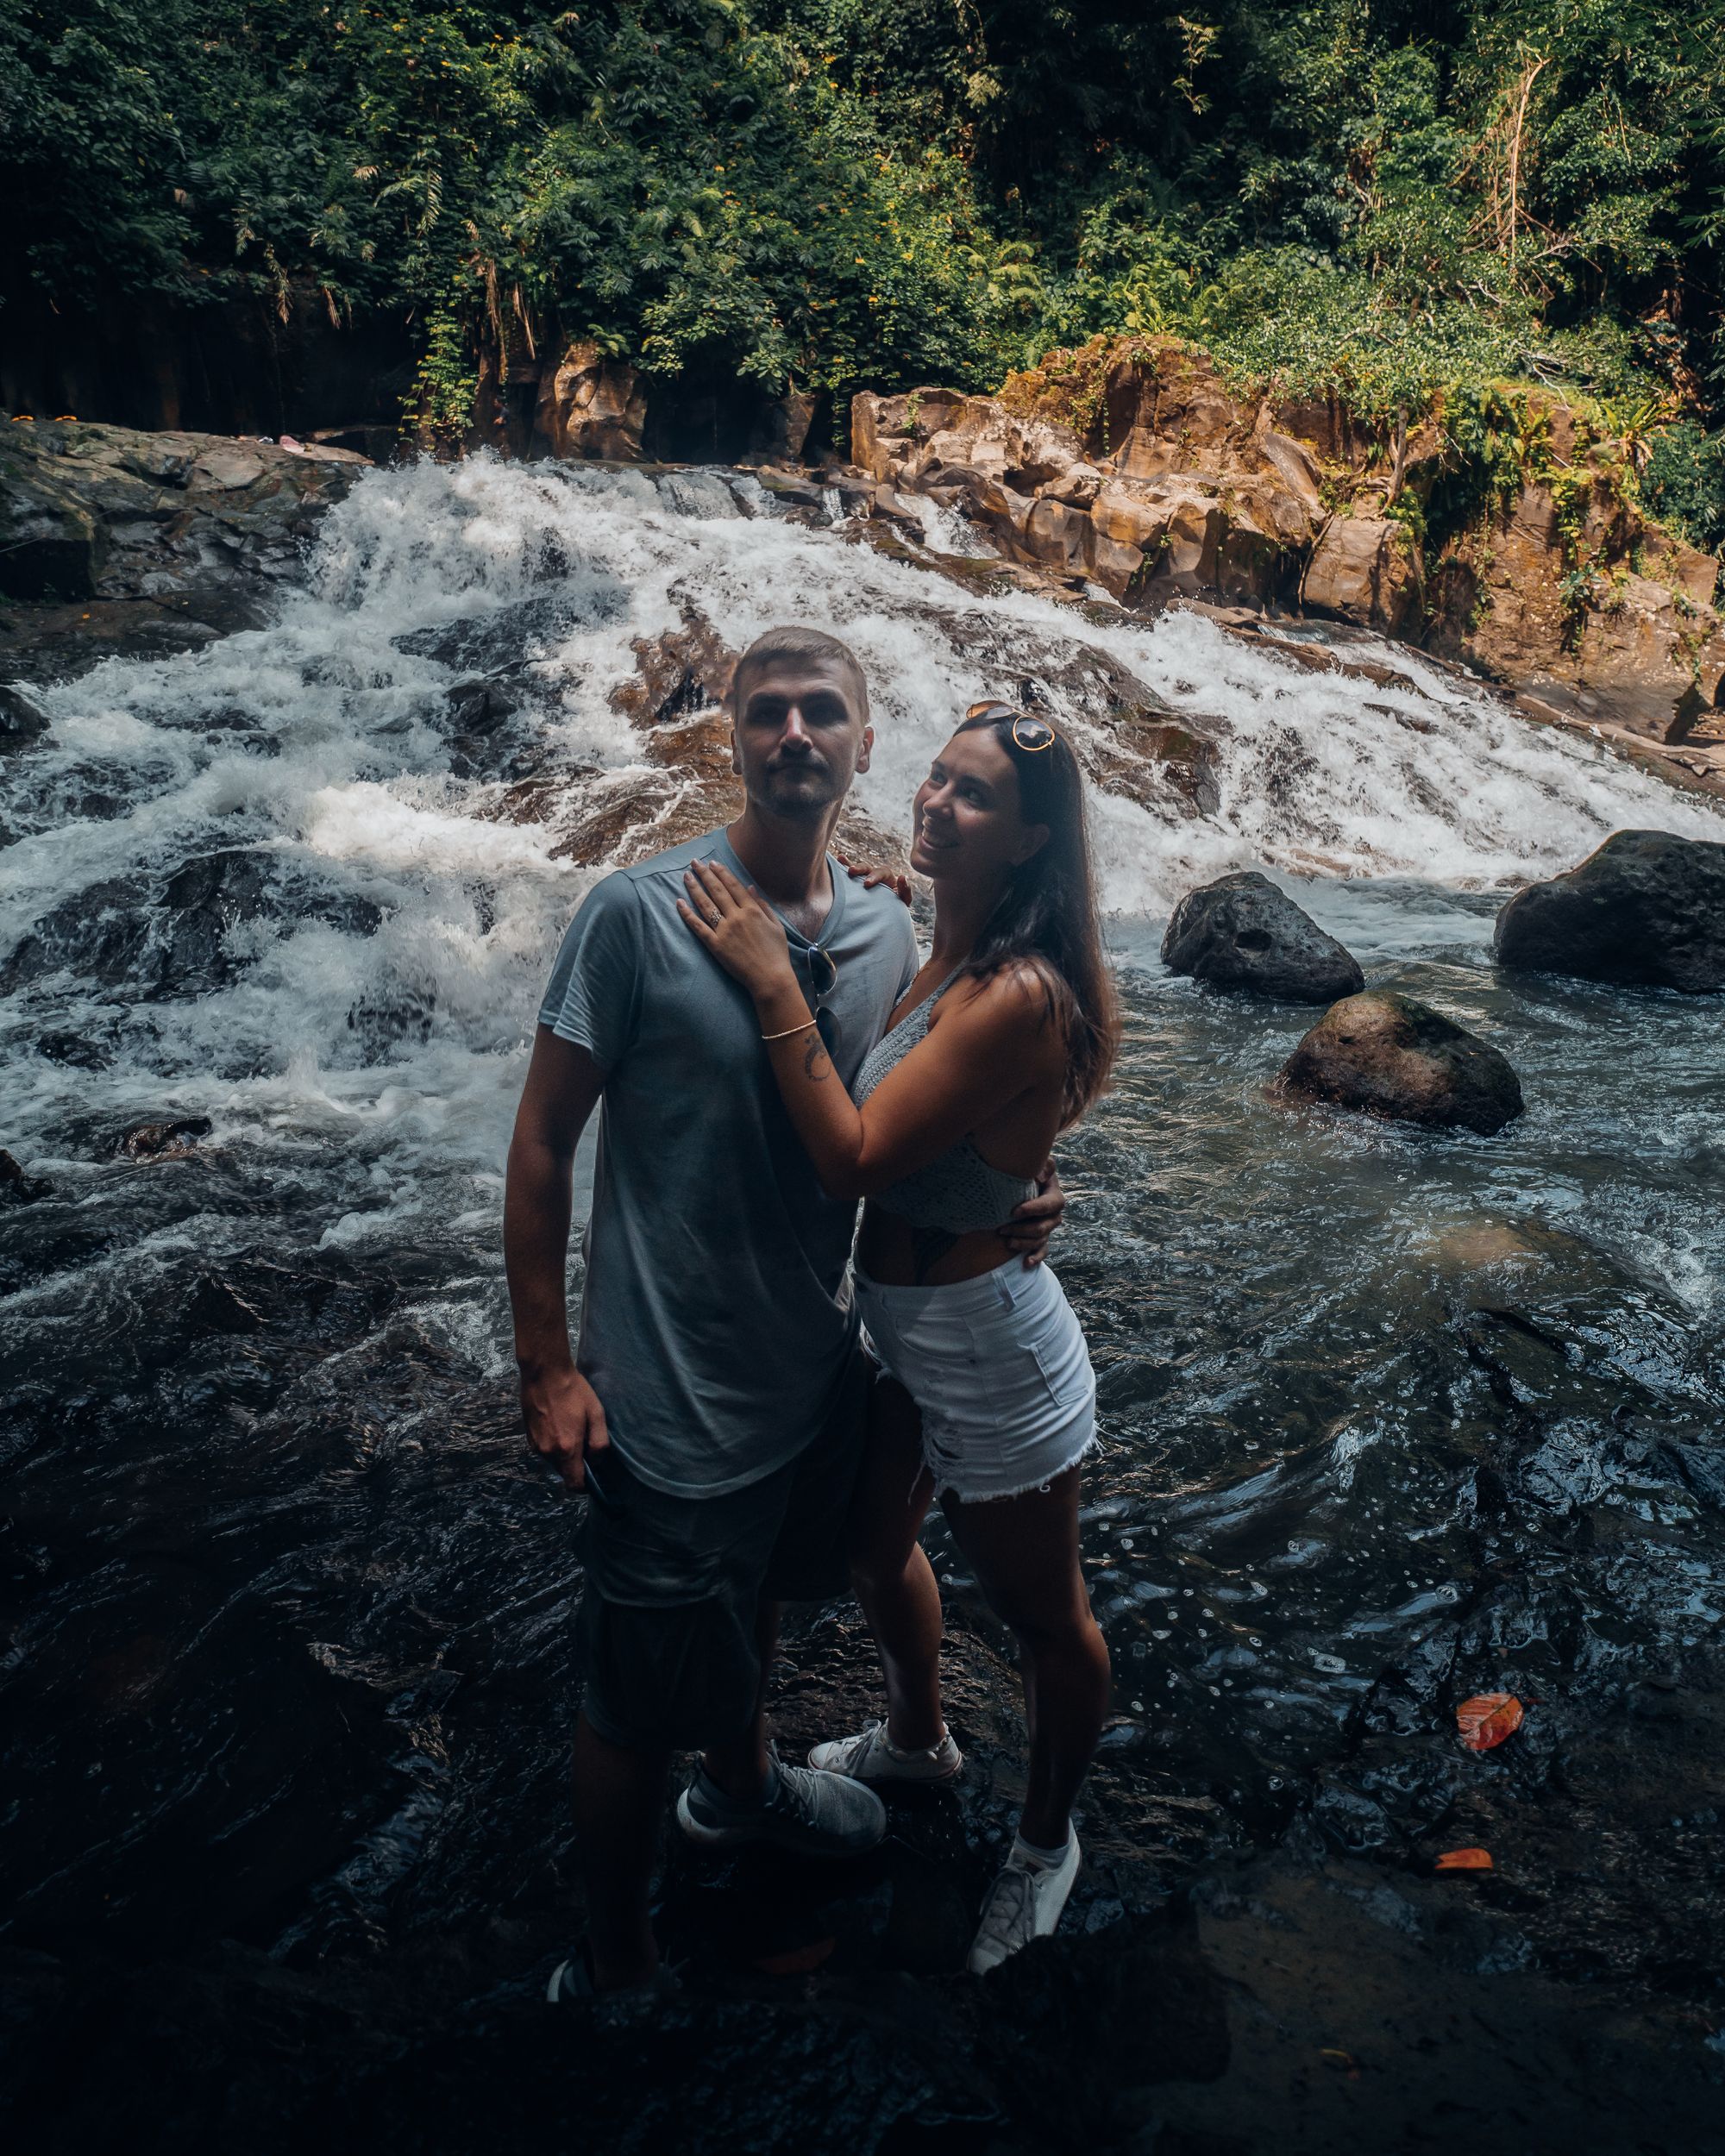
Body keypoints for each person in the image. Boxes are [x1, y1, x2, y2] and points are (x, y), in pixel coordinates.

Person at [505, 630, 1065, 1997]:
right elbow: (540, 1143)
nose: (795, 734)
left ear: (868, 748)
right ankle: (622, 1957)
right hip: (665, 1394)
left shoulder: (887, 926)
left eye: (825, 713)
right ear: (732, 738)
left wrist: (1017, 1192)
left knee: (752, 1607)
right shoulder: (638, 914)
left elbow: (944, 1095)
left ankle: (747, 1790)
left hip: (810, 1370)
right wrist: (546, 1366)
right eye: (768, 714)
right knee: (629, 1700)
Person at [678, 699, 1120, 1974]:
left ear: (1033, 839)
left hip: (989, 1353)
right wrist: (874, 909)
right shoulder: (947, 947)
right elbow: (982, 1121)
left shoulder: (1020, 991)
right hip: (917, 1335)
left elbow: (856, 1155)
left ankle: (1046, 1846)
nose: (935, 804)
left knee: (1049, 1624)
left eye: (973, 797)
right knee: (873, 1548)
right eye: (935, 780)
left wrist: (773, 981)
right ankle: (921, 1743)